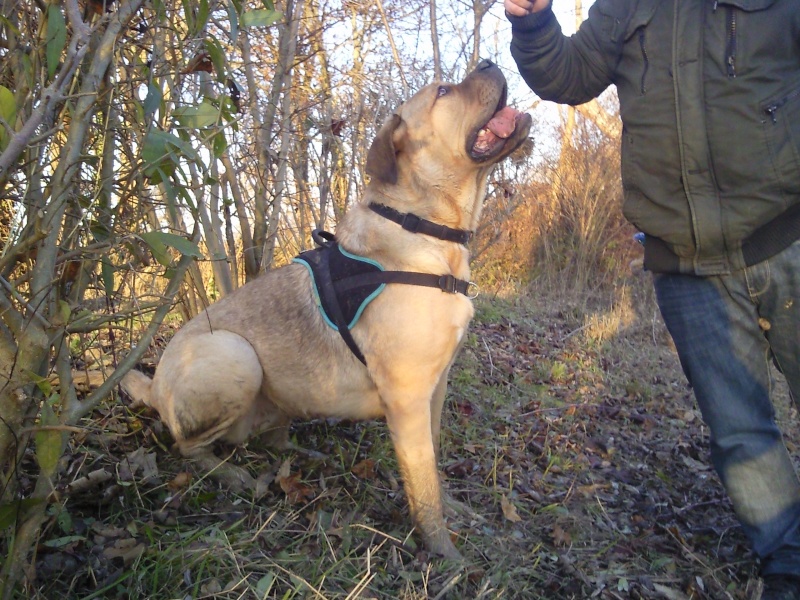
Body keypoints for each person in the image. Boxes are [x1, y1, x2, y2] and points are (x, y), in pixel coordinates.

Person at [504, 0, 800, 596]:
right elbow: (569, 74)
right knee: (741, 433)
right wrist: (534, 22)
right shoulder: (625, 6)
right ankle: (787, 563)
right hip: (686, 265)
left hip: (790, 234)